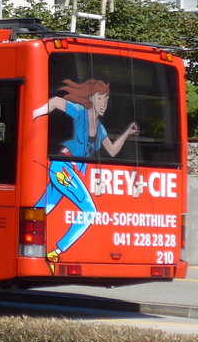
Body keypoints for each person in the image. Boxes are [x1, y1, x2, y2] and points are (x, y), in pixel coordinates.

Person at [34, 78, 139, 272]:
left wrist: (127, 133)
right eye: (100, 98)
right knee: (89, 211)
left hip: (69, 170)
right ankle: (57, 252)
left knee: (41, 209)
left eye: (106, 100)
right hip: (62, 166)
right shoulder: (80, 112)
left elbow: (113, 151)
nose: (104, 104)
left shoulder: (100, 128)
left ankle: (3, 242)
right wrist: (35, 114)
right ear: (90, 97)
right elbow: (56, 102)